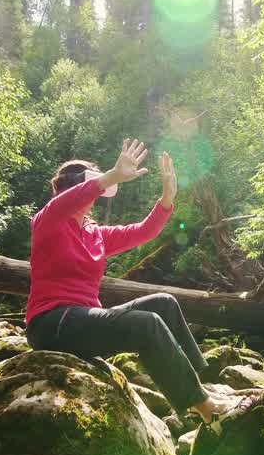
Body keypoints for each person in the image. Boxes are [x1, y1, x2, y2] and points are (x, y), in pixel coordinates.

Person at [24, 138, 226, 423]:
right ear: (74, 188)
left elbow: (144, 232)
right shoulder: (49, 220)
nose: (95, 195)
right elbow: (68, 201)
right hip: (51, 324)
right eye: (92, 186)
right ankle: (205, 409)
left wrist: (167, 198)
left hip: (84, 318)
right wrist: (113, 175)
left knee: (163, 304)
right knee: (146, 323)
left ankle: (200, 386)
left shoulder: (96, 234)